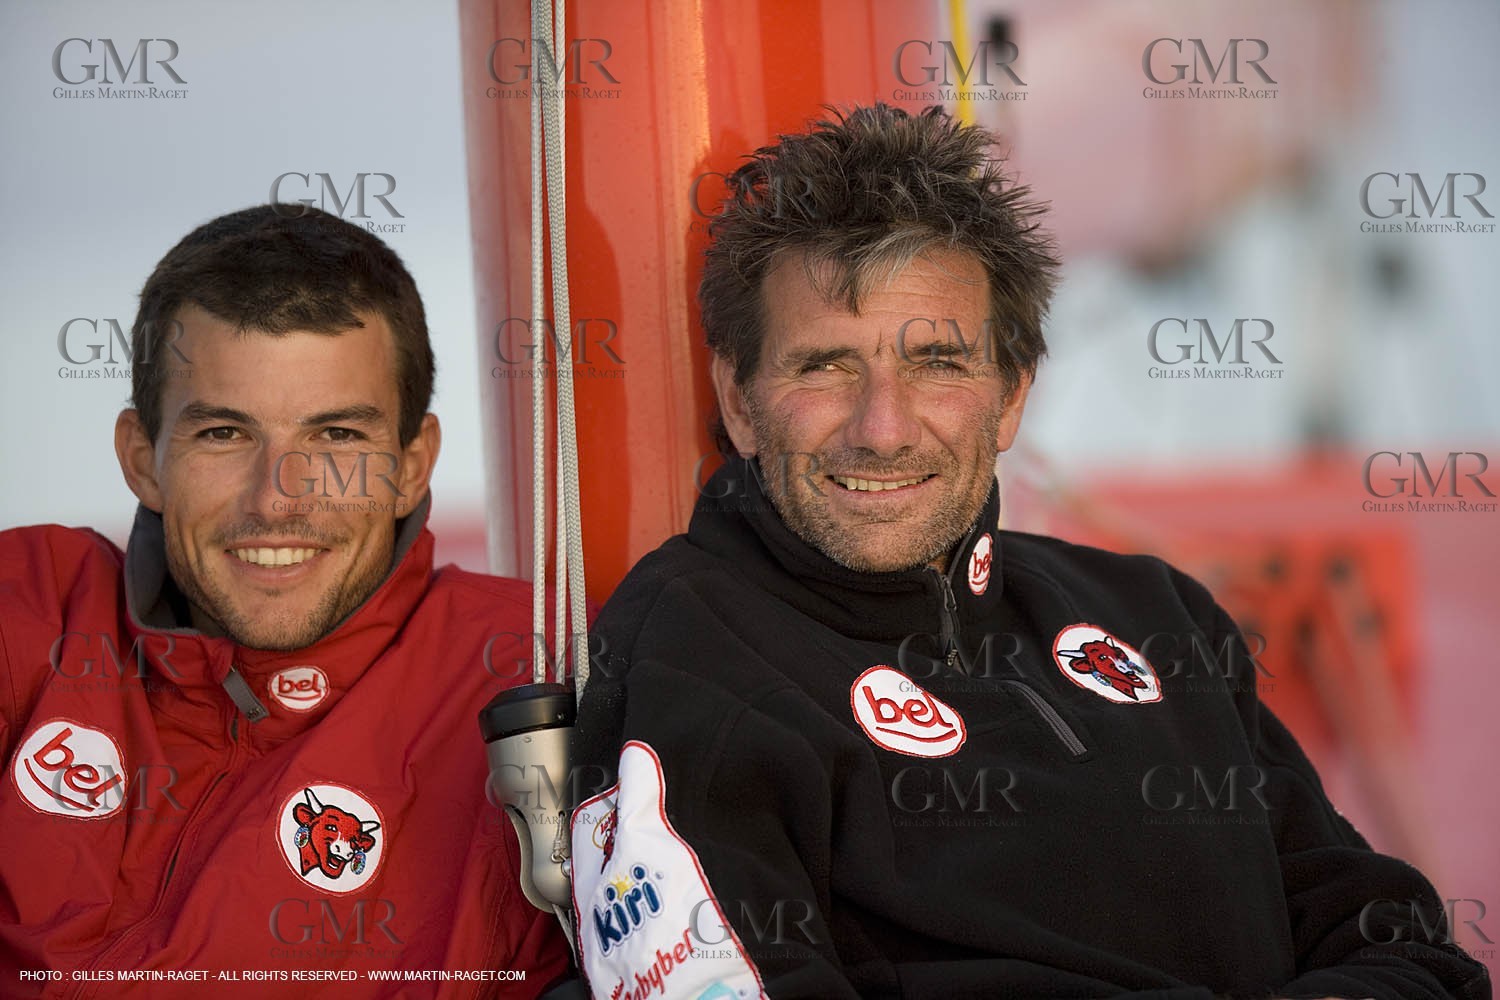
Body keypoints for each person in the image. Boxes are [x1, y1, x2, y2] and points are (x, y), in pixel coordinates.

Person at [569, 106, 1491, 999]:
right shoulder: (694, 649)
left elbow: (1397, 941)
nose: (883, 430)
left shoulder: (1155, 612)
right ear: (739, 400)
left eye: (937, 363)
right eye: (827, 366)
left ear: (1011, 396)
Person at [0, 206, 570, 995]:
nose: (277, 500)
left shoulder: (543, 666)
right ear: (141, 458)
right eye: (223, 434)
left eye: (336, 436)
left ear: (412, 466)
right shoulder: (32, 610)